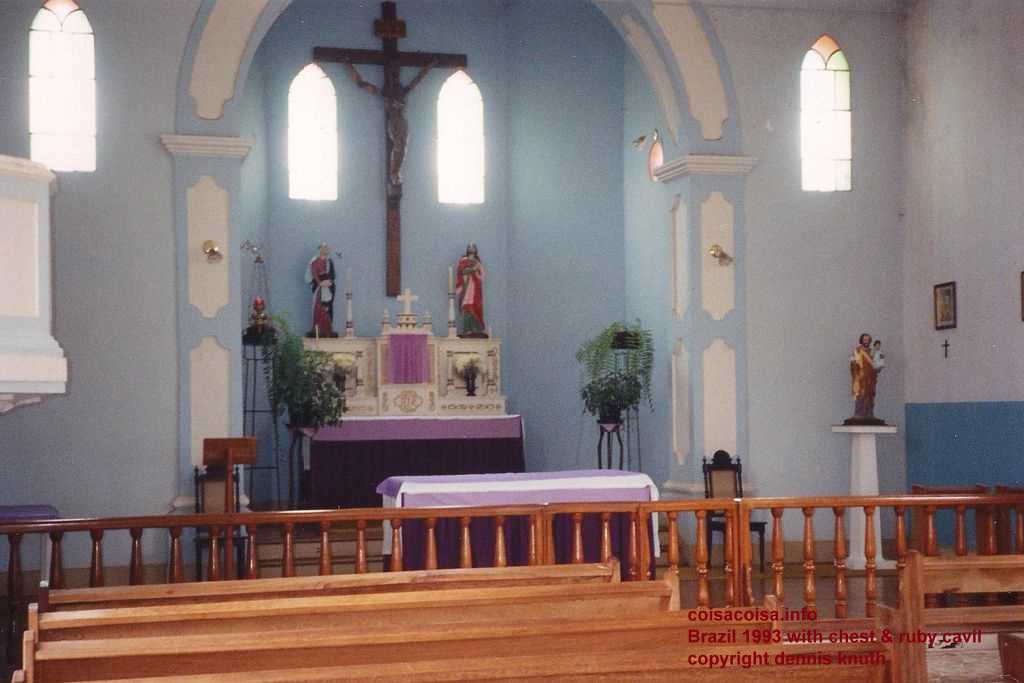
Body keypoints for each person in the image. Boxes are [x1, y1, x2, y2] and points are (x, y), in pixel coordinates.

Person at [455, 243, 487, 338]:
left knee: (475, 307)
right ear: (467, 249)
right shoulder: (463, 260)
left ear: (476, 250)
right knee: (466, 307)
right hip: (466, 287)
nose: (471, 249)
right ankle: (466, 330)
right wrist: (473, 269)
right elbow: (462, 271)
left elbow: (482, 276)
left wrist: (476, 271)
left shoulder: (478, 262)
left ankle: (475, 330)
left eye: (473, 247)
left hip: (475, 289)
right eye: (470, 247)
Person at [305, 243, 337, 337]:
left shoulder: (329, 261)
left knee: (328, 308)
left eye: (327, 247)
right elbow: (313, 274)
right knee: (319, 307)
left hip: (329, 287)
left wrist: (330, 282)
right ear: (320, 249)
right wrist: (320, 283)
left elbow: (333, 274)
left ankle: (328, 329)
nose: (326, 249)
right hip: (319, 288)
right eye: (324, 247)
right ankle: (318, 328)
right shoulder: (314, 261)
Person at [848, 333, 880, 422]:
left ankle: (869, 413)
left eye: (868, 339)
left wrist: (878, 367)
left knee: (870, 395)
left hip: (870, 377)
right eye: (864, 339)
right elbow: (853, 363)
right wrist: (854, 364)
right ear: (861, 340)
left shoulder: (872, 352)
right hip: (861, 377)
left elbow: (876, 364)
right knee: (860, 395)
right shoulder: (858, 351)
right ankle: (858, 413)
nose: (866, 341)